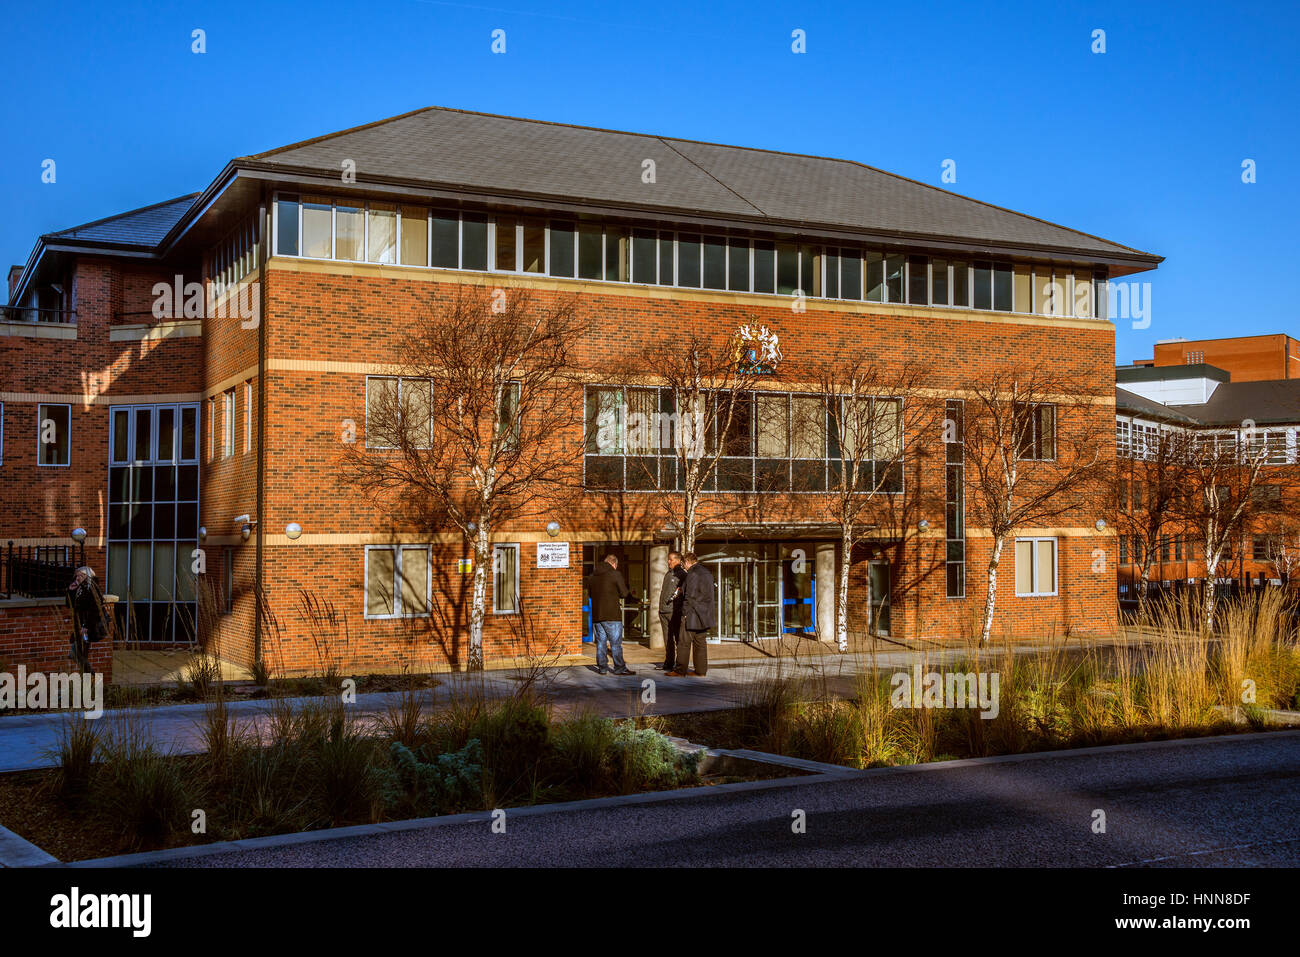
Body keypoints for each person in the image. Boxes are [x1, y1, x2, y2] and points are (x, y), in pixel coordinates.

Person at [585, 553, 636, 676]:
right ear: (614, 563)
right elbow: (624, 593)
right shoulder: (615, 574)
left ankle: (602, 668)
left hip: (597, 615)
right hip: (612, 615)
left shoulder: (592, 577)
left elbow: (590, 595)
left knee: (601, 643)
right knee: (615, 644)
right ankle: (619, 668)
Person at [668, 552, 714, 677]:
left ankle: (680, 670)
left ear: (687, 562)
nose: (684, 567)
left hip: (692, 614)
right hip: (704, 614)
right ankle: (701, 670)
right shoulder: (707, 573)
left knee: (684, 642)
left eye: (684, 564)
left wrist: (685, 613)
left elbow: (690, 596)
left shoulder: (692, 574)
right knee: (700, 643)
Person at [67, 566, 107, 677]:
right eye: (77, 575)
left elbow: (95, 610)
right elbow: (69, 604)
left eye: (81, 575)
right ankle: (88, 677)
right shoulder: (80, 588)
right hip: (79, 625)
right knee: (78, 652)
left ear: (88, 576)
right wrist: (71, 590)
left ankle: (90, 676)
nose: (78, 578)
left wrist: (86, 627)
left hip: (87, 626)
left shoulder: (92, 589)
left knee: (77, 652)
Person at [655, 550, 686, 672]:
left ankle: (680, 664)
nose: (668, 562)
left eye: (671, 559)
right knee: (667, 640)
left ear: (678, 560)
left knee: (678, 638)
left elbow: (682, 592)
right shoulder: (668, 574)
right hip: (663, 611)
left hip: (674, 611)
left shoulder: (682, 574)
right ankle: (669, 663)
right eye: (668, 559)